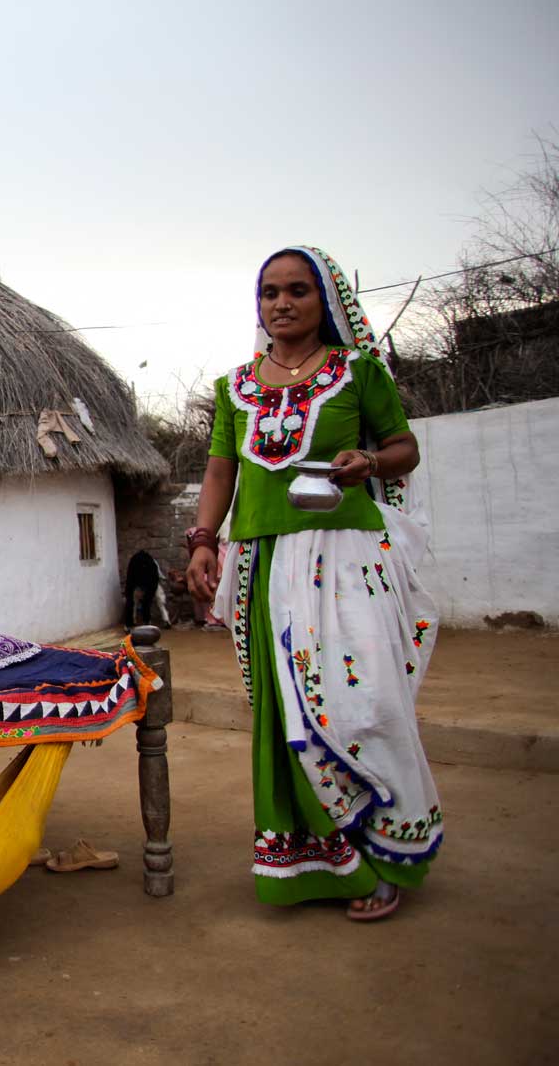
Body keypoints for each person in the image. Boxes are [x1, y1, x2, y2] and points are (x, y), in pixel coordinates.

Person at [185, 246, 442, 922]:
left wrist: (370, 459)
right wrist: (204, 541)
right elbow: (220, 472)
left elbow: (403, 447)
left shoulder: (358, 371)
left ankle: (387, 849)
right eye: (269, 292)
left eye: (297, 290)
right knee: (288, 715)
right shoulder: (233, 386)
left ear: (324, 299)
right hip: (267, 565)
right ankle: (321, 861)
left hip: (346, 556)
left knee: (364, 705)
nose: (282, 302)